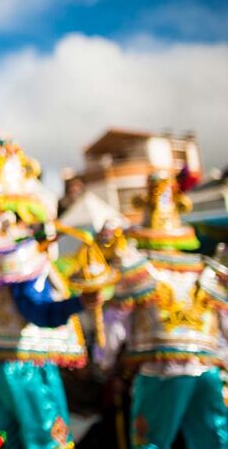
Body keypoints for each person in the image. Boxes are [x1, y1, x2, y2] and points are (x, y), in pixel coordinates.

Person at [0, 135, 98, 449]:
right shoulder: (20, 255)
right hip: (24, 365)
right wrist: (79, 302)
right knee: (47, 440)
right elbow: (37, 310)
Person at [97, 172, 228, 449]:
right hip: (207, 369)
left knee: (150, 441)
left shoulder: (139, 268)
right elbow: (224, 322)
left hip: (159, 369)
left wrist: (105, 361)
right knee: (214, 439)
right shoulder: (204, 269)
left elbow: (114, 322)